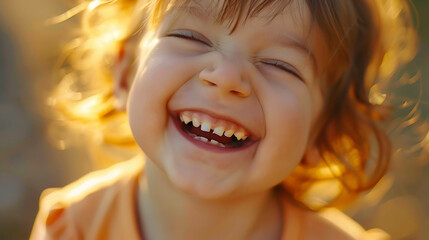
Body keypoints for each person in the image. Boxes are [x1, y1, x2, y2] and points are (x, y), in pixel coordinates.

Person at [30, 0, 417, 239]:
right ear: (126, 73)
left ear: (323, 131)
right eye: (190, 36)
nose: (227, 76)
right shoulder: (73, 228)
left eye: (279, 64)